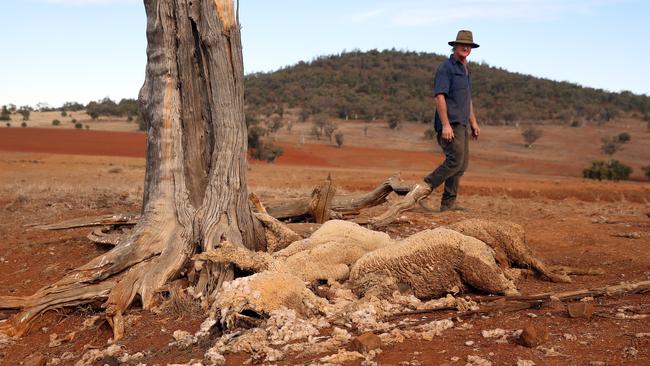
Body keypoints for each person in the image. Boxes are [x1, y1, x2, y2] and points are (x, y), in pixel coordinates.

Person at [423, 30, 481, 212]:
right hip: (450, 123)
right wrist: (446, 124)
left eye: (469, 45)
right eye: (462, 44)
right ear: (454, 46)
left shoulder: (465, 70)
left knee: (461, 165)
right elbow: (440, 97)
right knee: (455, 160)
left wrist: (474, 122)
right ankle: (421, 189)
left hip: (463, 124)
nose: (466, 47)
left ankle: (448, 205)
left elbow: (467, 99)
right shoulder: (446, 68)